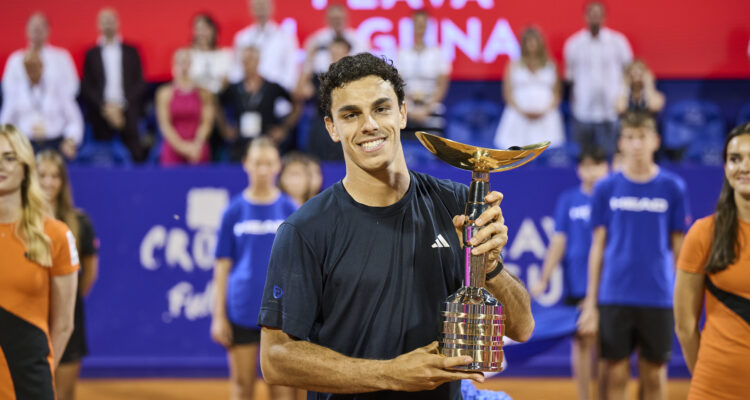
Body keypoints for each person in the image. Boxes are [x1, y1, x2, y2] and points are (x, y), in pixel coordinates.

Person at [257, 53, 534, 399]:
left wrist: (490, 267)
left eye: (381, 108)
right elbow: (275, 358)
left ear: (402, 113)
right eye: (350, 114)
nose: (369, 124)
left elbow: (521, 327)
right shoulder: (305, 230)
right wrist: (390, 374)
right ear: (331, 127)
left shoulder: (456, 205)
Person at [579, 112, 690, 400]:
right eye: (629, 138)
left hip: (658, 296)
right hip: (614, 295)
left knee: (654, 376)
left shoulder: (672, 187)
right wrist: (591, 303)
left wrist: (683, 299)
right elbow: (598, 247)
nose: (636, 144)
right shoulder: (606, 188)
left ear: (656, 141)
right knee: (614, 375)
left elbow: (680, 250)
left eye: (642, 137)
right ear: (621, 143)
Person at [211, 137, 298, 400]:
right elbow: (222, 265)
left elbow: (299, 267)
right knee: (242, 385)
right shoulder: (233, 211)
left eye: (268, 163)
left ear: (278, 166)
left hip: (281, 315)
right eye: (257, 163)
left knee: (281, 387)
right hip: (241, 310)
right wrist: (219, 316)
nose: (262, 170)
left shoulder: (290, 209)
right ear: (246, 164)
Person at [0, 124, 78, 400]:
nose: (2, 166)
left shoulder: (56, 235)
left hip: (29, 385)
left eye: (9, 158)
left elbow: (64, 324)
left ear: (24, 166)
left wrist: (39, 373)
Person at [675, 122, 750, 400]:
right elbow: (684, 325)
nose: (743, 167)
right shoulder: (703, 234)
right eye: (735, 159)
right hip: (714, 388)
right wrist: (708, 377)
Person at [531, 146, 609, 400]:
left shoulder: (611, 198)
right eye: (587, 166)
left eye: (597, 165)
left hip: (607, 285)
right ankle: (585, 397)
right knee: (582, 342)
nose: (592, 172)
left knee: (606, 346)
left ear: (606, 168)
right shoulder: (569, 199)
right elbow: (558, 241)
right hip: (576, 284)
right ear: (579, 170)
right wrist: (544, 277)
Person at [36, 150, 99, 400]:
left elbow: (90, 271)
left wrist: (65, 299)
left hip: (68, 318)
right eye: (42, 175)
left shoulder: (80, 221)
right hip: (31, 317)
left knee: (64, 394)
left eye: (55, 176)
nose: (49, 182)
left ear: (63, 182)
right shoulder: (18, 220)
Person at [564, 1, 633, 157]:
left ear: (604, 17)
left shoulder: (618, 42)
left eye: (598, 14)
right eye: (591, 14)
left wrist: (622, 98)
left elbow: (629, 73)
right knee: (583, 158)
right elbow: (570, 78)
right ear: (585, 16)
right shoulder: (574, 44)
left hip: (611, 110)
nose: (595, 17)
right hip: (583, 112)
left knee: (610, 157)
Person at [80, 8, 147, 162]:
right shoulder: (91, 54)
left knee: (136, 153)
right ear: (98, 25)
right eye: (104, 21)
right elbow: (87, 87)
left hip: (127, 110)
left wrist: (120, 106)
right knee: (102, 157)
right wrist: (106, 107)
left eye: (111, 21)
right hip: (100, 111)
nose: (108, 25)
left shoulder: (131, 51)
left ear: (118, 23)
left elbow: (139, 83)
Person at [0, 50, 83, 160]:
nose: (32, 71)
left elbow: (74, 120)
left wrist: (70, 140)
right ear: (24, 69)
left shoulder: (58, 88)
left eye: (35, 66)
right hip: (25, 144)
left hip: (54, 143)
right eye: (28, 68)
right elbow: (5, 122)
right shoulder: (16, 92)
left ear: (42, 66)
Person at [221, 47, 300, 161]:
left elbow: (296, 103)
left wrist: (284, 128)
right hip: (241, 143)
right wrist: (224, 127)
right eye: (244, 61)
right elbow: (216, 104)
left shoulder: (271, 87)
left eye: (250, 60)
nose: (247, 64)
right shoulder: (234, 88)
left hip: (267, 141)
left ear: (258, 61)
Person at [495, 27, 564, 150]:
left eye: (534, 41)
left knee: (546, 152)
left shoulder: (551, 65)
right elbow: (508, 92)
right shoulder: (513, 65)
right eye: (528, 41)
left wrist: (545, 111)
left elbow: (557, 92)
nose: (531, 44)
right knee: (516, 153)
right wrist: (522, 111)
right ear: (523, 44)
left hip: (546, 118)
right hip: (519, 117)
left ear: (540, 43)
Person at [396, 10, 451, 137]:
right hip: (408, 107)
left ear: (428, 26)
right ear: (412, 26)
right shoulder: (402, 53)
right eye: (417, 23)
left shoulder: (438, 53)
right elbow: (398, 83)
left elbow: (442, 85)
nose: (420, 27)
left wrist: (427, 108)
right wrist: (411, 110)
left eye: (423, 24)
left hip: (432, 107)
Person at [156, 49, 215, 166]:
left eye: (188, 62)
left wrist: (196, 146)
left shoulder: (204, 93)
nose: (185, 67)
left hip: (197, 148)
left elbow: (206, 123)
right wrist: (182, 147)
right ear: (175, 65)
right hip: (173, 148)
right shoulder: (164, 93)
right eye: (181, 62)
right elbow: (165, 125)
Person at [296, 35, 350, 161]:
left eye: (340, 52)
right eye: (333, 52)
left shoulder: (355, 79)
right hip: (322, 127)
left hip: (345, 125)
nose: (336, 56)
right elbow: (300, 92)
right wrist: (309, 59)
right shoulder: (320, 78)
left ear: (347, 54)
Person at [2, 12, 79, 101]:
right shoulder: (15, 59)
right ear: (26, 30)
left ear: (48, 30)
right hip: (24, 112)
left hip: (55, 111)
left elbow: (72, 87)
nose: (36, 29)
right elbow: (8, 89)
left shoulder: (62, 57)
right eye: (33, 27)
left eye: (40, 27)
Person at [230, 0, 299, 91]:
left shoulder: (286, 37)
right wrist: (243, 90)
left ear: (272, 8)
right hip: (248, 96)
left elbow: (291, 70)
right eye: (257, 5)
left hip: (278, 94)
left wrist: (280, 91)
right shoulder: (242, 38)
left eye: (263, 5)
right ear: (251, 9)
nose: (261, 9)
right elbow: (236, 69)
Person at [304, 4, 369, 77]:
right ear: (327, 20)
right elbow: (307, 65)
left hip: (351, 77)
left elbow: (365, 63)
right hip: (321, 80)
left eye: (339, 18)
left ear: (346, 18)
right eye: (334, 19)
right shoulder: (316, 40)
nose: (337, 21)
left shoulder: (358, 40)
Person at [190, 13, 233, 95]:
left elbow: (227, 80)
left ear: (213, 30)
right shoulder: (188, 55)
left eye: (205, 29)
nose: (202, 33)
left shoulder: (226, 54)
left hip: (220, 97)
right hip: (194, 99)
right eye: (198, 29)